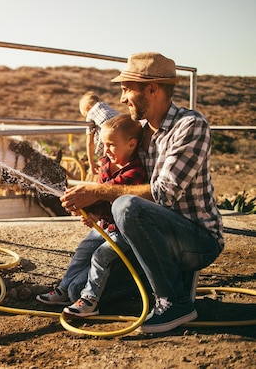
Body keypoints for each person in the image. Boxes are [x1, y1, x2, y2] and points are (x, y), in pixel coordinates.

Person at [60, 52, 224, 333]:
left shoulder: (191, 126)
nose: (122, 98)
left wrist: (97, 191)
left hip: (196, 239)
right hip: (149, 236)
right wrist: (91, 202)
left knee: (126, 206)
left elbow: (165, 193)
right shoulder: (140, 131)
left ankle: (175, 303)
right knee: (78, 290)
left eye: (127, 89)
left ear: (152, 88)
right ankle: (155, 282)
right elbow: (111, 165)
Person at [36, 114, 147, 317]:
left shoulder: (134, 173)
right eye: (104, 145)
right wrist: (93, 213)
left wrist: (95, 205)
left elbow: (110, 196)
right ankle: (63, 288)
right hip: (106, 225)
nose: (105, 151)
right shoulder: (106, 164)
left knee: (101, 256)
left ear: (131, 144)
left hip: (123, 230)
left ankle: (89, 299)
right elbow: (100, 198)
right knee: (83, 250)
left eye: (111, 145)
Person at [79, 92, 119, 177]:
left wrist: (91, 163)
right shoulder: (107, 107)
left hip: (111, 137)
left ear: (87, 108)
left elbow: (90, 142)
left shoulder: (91, 113)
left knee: (106, 168)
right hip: (124, 135)